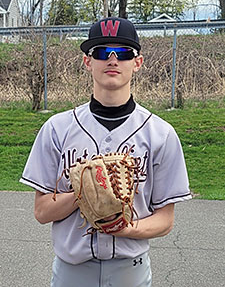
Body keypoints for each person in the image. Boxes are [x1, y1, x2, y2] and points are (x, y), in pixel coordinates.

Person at [20, 17, 192, 287]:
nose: (112, 59)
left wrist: (125, 228)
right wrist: (85, 192)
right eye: (101, 52)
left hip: (130, 271)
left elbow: (165, 220)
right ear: (88, 62)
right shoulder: (57, 128)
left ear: (137, 63)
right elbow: (42, 212)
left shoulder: (161, 134)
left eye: (123, 52)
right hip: (72, 272)